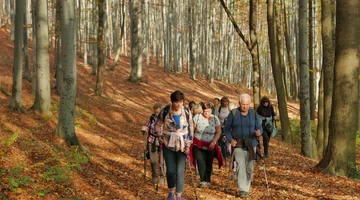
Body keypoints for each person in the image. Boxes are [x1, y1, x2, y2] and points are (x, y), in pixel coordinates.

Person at [155, 90, 193, 200]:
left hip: (182, 145)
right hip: (168, 144)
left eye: (181, 102)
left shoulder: (186, 111)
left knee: (180, 171)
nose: (179, 104)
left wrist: (189, 144)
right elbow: (158, 125)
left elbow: (191, 129)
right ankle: (171, 190)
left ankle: (179, 195)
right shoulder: (165, 111)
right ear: (172, 102)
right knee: (170, 170)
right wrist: (160, 136)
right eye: (176, 102)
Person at [223, 93, 262, 198]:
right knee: (241, 166)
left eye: (247, 104)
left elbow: (259, 127)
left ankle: (246, 187)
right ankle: (243, 190)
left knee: (250, 168)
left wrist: (259, 132)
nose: (245, 106)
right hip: (238, 144)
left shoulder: (253, 113)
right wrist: (230, 140)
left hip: (251, 144)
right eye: (243, 104)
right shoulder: (233, 113)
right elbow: (226, 129)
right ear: (239, 103)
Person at [190, 102, 223, 188]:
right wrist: (191, 139)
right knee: (201, 161)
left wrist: (214, 141)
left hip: (210, 144)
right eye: (205, 111)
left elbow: (218, 132)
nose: (207, 113)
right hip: (198, 143)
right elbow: (192, 129)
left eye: (208, 111)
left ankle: (207, 179)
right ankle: (202, 180)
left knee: (209, 162)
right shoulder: (197, 117)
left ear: (211, 110)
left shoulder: (215, 119)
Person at [144, 102, 165, 185]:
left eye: (158, 112)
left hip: (163, 142)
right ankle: (154, 175)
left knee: (162, 161)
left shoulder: (165, 118)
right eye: (155, 112)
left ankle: (162, 176)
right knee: (153, 160)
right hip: (152, 140)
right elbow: (147, 126)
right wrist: (144, 130)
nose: (156, 114)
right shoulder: (151, 118)